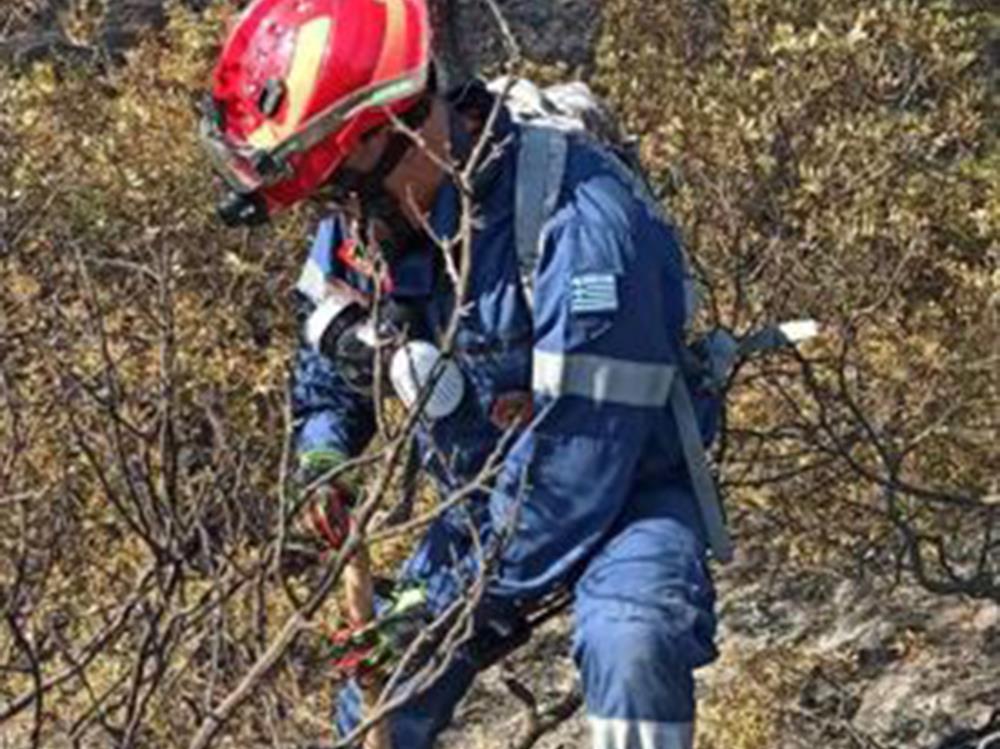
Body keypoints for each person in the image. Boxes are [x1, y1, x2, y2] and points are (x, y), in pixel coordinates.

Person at [200, 0, 720, 746]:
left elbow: (575, 468)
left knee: (632, 639)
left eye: (347, 186)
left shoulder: (584, 220)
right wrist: (323, 451)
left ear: (407, 126)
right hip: (475, 504)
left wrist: (438, 600)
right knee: (382, 692)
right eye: (328, 196)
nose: (344, 214)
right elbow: (330, 359)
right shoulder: (368, 222)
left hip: (630, 488)